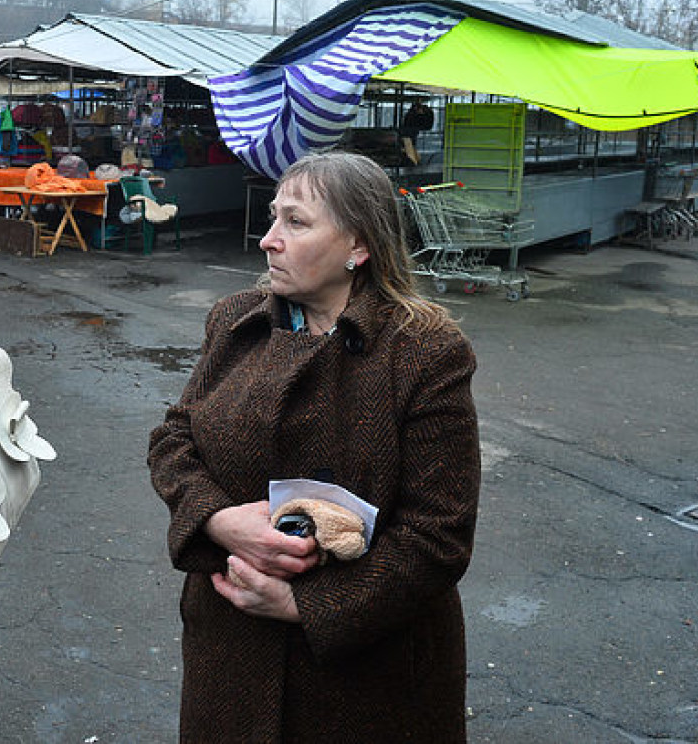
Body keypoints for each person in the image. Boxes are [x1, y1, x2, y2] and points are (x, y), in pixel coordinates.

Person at [147, 151, 481, 743]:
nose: (268, 241)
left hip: (367, 675)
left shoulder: (427, 350)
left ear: (359, 244)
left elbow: (439, 534)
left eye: (295, 223)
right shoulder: (233, 322)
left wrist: (311, 606)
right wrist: (222, 521)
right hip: (231, 652)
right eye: (274, 218)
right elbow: (174, 441)